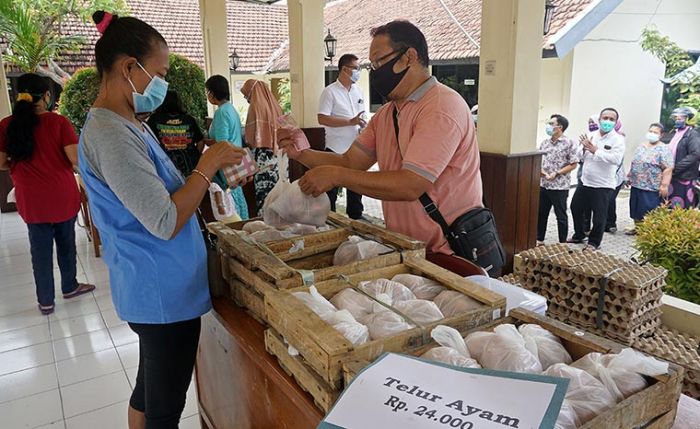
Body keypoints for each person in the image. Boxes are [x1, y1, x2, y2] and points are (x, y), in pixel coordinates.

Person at [79, 11, 244, 428]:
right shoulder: (111, 134)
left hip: (158, 285)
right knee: (165, 408)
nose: (163, 84)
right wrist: (206, 166)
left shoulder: (130, 123)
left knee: (149, 389)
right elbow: (164, 219)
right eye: (160, 73)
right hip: (161, 294)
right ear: (128, 68)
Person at [278, 20, 484, 275]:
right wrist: (302, 153)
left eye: (379, 62)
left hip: (447, 252)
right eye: (371, 65)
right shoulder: (387, 114)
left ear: (409, 56)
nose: (374, 72)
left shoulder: (441, 107)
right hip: (407, 249)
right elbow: (350, 162)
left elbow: (411, 184)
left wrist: (336, 177)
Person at [0, 73, 95, 315]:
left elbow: (1, 163)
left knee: (39, 250)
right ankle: (70, 286)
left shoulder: (6, 125)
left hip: (31, 200)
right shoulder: (58, 123)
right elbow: (74, 160)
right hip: (61, 195)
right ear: (46, 96)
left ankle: (46, 301)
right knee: (66, 244)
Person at [317, 53, 367, 219]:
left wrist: (362, 125)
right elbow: (322, 118)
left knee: (356, 188)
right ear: (345, 69)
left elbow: (361, 116)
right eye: (356, 68)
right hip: (335, 148)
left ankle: (356, 222)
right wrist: (350, 121)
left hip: (356, 148)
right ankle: (329, 221)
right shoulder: (330, 92)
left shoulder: (358, 91)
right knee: (331, 190)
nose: (358, 72)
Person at [568, 108, 625, 251]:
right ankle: (580, 234)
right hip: (585, 181)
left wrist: (595, 150)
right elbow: (579, 157)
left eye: (611, 119)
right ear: (599, 120)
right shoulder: (590, 135)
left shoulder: (618, 139)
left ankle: (594, 242)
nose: (607, 121)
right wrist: (583, 150)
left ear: (616, 122)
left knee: (599, 216)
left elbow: (616, 159)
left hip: (603, 185)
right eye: (605, 118)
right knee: (575, 207)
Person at [205, 75, 249, 219]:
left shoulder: (221, 112)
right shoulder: (231, 109)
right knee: (237, 199)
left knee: (230, 205)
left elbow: (222, 143)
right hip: (236, 161)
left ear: (211, 93)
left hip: (226, 165)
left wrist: (205, 142)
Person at [240, 79, 283, 212]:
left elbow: (251, 138)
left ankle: (266, 228)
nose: (245, 97)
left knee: (264, 198)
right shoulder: (275, 105)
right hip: (278, 157)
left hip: (263, 158)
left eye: (246, 94)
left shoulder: (256, 106)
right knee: (277, 198)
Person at [536, 114, 578, 245]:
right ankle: (539, 239)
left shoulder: (569, 143)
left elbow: (573, 164)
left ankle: (562, 242)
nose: (548, 126)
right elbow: (539, 161)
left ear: (560, 127)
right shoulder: (545, 143)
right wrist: (541, 172)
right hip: (544, 184)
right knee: (541, 213)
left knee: (561, 215)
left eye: (551, 123)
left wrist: (557, 173)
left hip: (559, 186)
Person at [625, 123, 674, 234]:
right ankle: (638, 228)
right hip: (636, 184)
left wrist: (664, 185)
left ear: (661, 135)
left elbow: (668, 168)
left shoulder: (663, 149)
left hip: (651, 186)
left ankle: (649, 231)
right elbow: (635, 162)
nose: (652, 134)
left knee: (648, 209)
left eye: (655, 132)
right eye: (650, 131)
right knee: (635, 208)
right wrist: (629, 176)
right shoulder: (642, 146)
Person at [147, 90, 204, 177]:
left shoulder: (154, 120)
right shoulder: (189, 119)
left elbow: (148, 142)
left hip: (166, 168)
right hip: (190, 167)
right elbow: (200, 142)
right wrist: (195, 157)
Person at [666, 107, 700, 209]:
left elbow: (695, 154)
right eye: (676, 118)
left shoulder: (692, 134)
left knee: (681, 208)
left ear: (690, 118)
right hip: (673, 176)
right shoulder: (677, 133)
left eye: (680, 118)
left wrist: (676, 168)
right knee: (670, 207)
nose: (677, 120)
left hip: (684, 178)